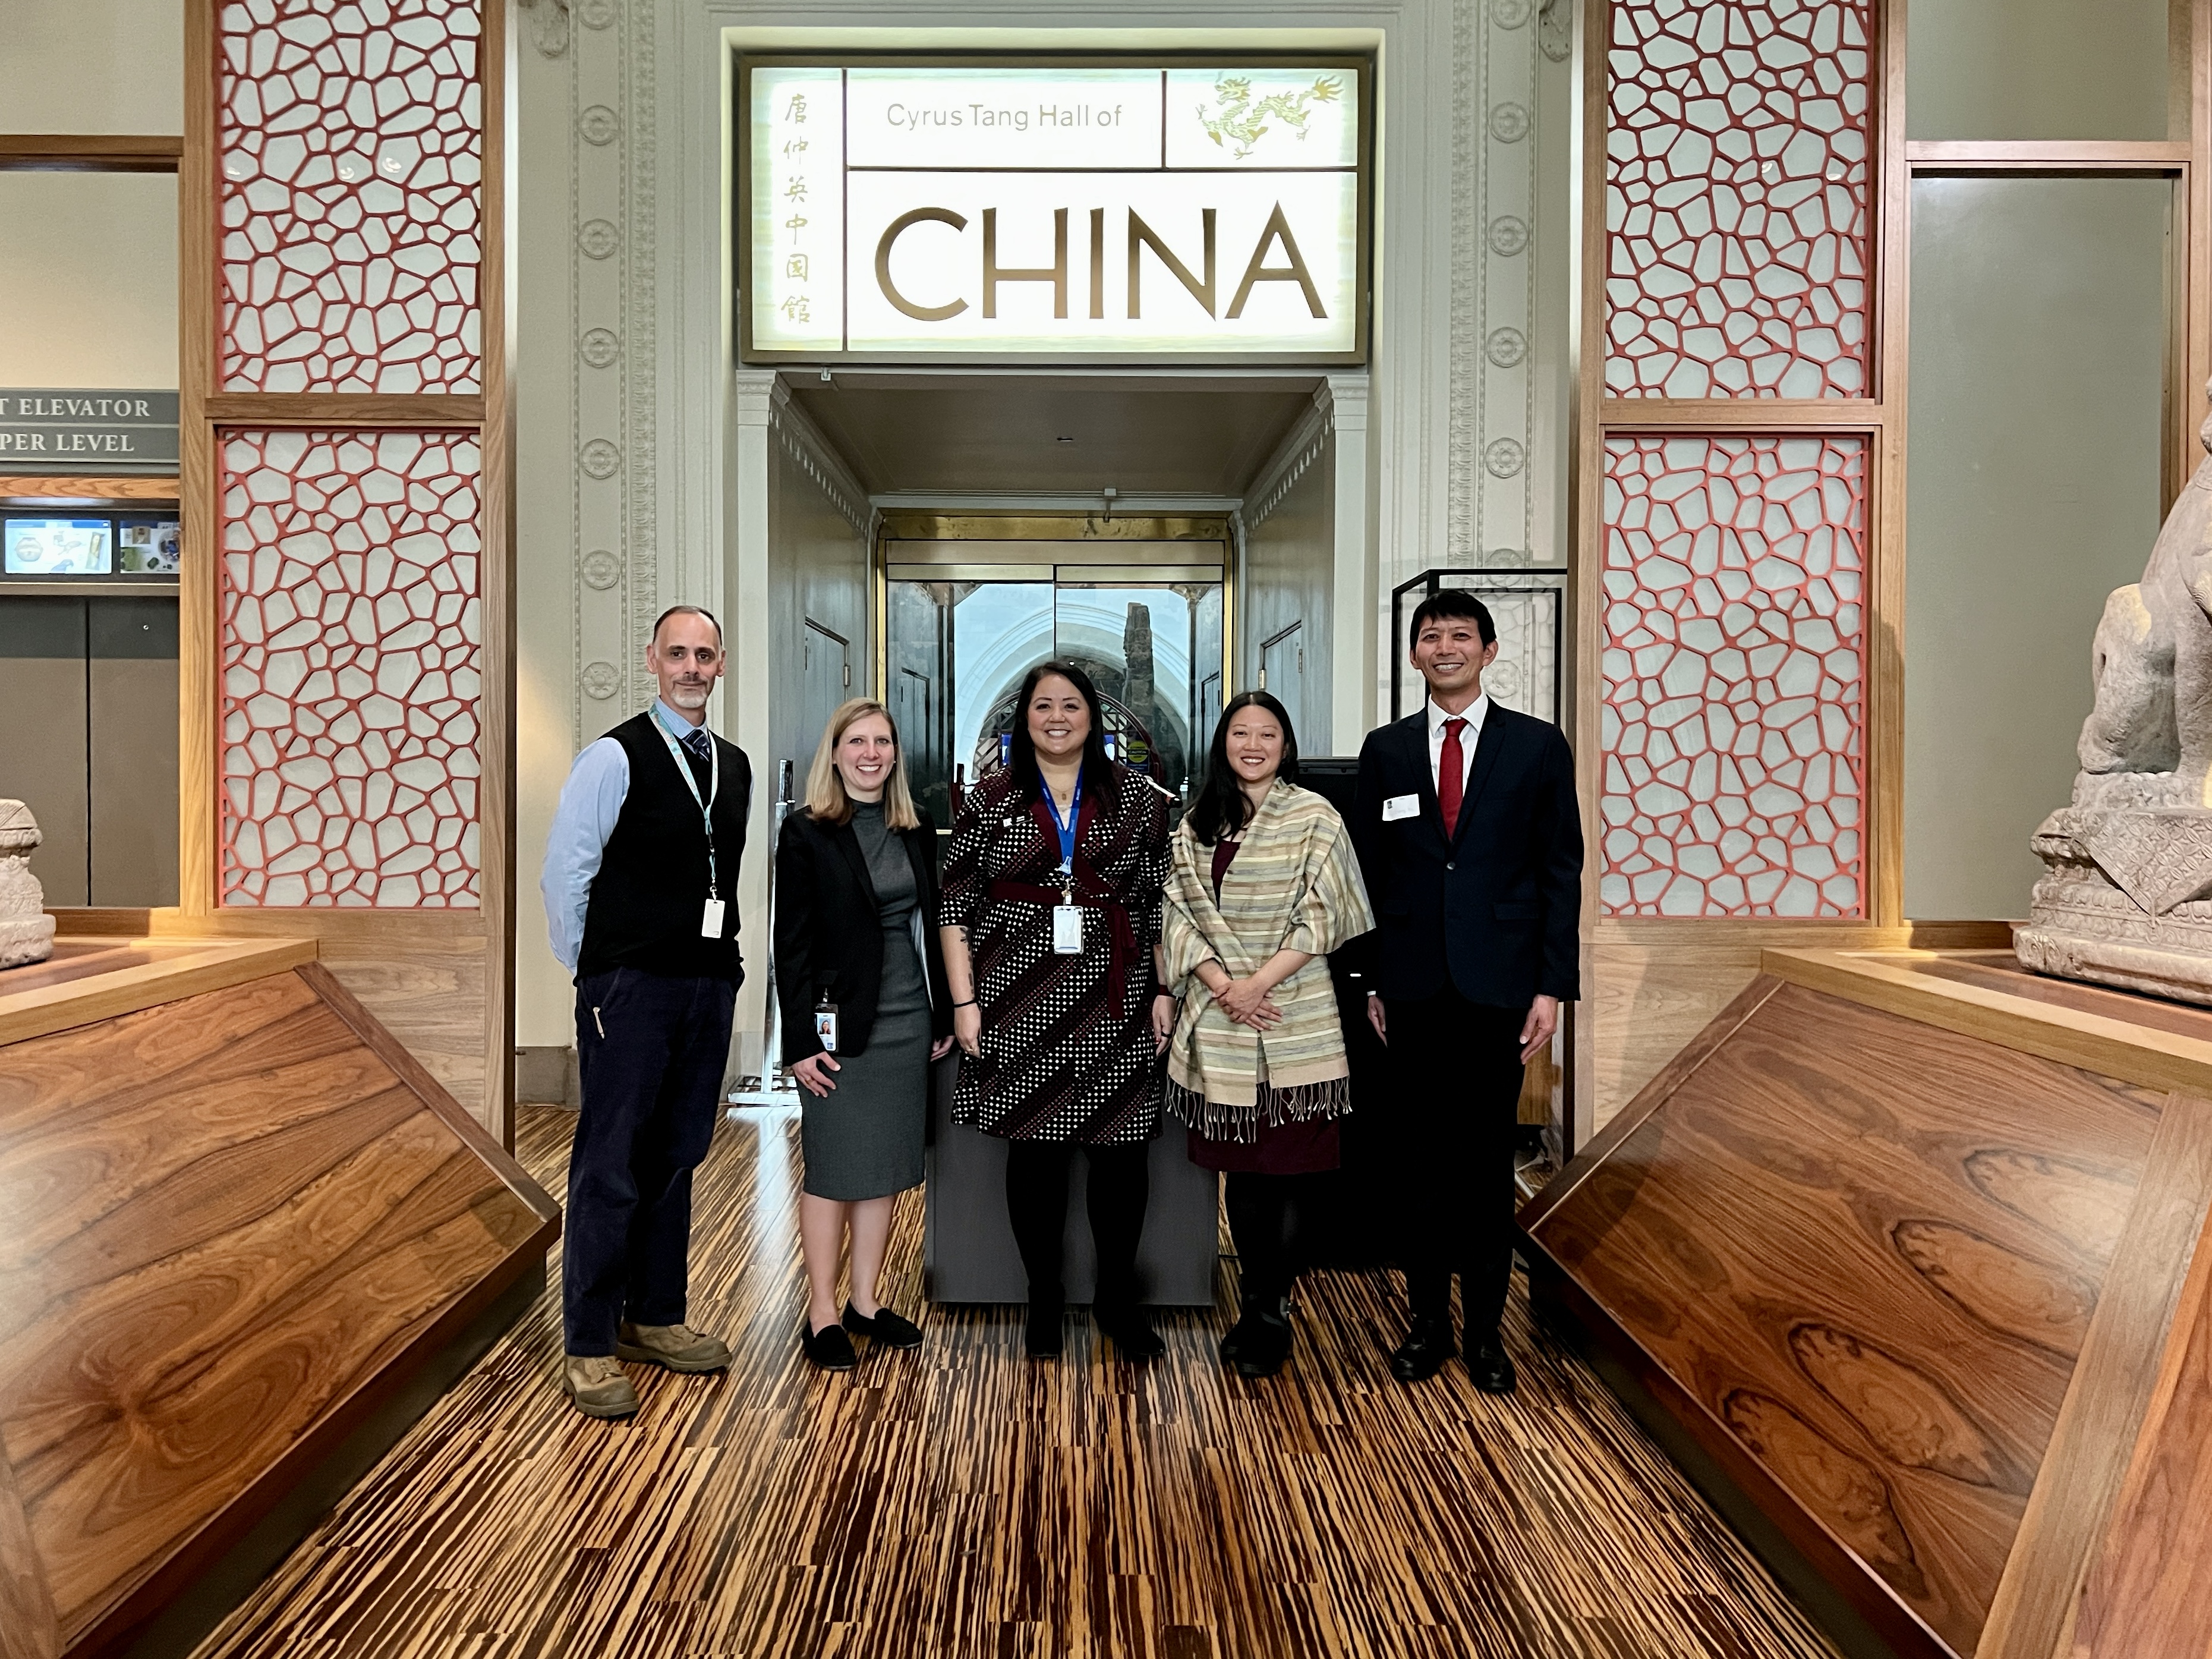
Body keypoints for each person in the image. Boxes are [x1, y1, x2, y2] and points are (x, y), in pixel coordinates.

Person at [1351, 591, 1583, 1396]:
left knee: (1485, 1164)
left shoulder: (1536, 746)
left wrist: (1552, 985)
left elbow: (1561, 869)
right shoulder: (1384, 750)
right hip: (1412, 983)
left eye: (1459, 635)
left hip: (1499, 986)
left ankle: (1485, 1333)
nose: (1443, 647)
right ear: (1413, 655)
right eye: (1429, 636)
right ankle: (1425, 1327)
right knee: (1416, 1163)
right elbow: (1372, 875)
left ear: (1488, 650)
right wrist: (1375, 974)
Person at [540, 605, 753, 1419]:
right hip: (630, 988)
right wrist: (593, 973)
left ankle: (653, 1315)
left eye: (704, 654)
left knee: (677, 1153)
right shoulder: (613, 755)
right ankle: (589, 1342)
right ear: (651, 660)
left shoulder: (730, 764)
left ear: (721, 663)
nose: (691, 667)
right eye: (677, 654)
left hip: (707, 983)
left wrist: (724, 977)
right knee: (612, 1159)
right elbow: (568, 872)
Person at [938, 662, 1175, 1361]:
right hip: (1017, 994)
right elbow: (954, 904)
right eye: (1042, 705)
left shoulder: (1137, 798)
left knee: (1121, 1157)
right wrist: (962, 1001)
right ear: (1024, 717)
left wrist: (1164, 989)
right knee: (1034, 1156)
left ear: (1091, 715)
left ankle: (1115, 1302)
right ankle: (1044, 1295)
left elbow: (1158, 903)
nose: (1057, 717)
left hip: (1117, 994)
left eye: (1070, 704)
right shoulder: (988, 800)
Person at [1161, 692, 1373, 1379]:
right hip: (1221, 1018)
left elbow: (1327, 914)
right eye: (1240, 733)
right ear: (1222, 742)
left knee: (1292, 1173)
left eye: (1268, 734)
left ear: (1286, 745)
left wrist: (1256, 985)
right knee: (1244, 1175)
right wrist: (1225, 985)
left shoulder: (1315, 817)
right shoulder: (1195, 823)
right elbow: (1174, 915)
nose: (1252, 744)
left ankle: (1273, 1311)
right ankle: (1254, 1301)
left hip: (1291, 1015)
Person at [774, 699, 956, 1371]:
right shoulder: (806, 833)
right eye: (858, 741)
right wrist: (796, 1041)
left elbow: (931, 927)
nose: (871, 752)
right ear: (837, 751)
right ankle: (821, 1312)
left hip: (908, 1019)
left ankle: (865, 1302)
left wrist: (940, 1014)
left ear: (894, 754)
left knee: (881, 1170)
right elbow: (787, 946)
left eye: (882, 741)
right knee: (832, 1169)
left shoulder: (914, 827)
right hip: (836, 1026)